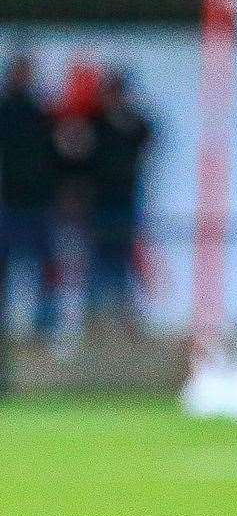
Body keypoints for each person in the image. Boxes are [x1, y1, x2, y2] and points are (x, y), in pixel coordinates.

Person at [0, 54, 60, 351]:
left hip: (36, 203)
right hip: (9, 203)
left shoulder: (40, 112)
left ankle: (44, 329)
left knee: (47, 266)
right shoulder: (9, 110)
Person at [87, 70, 151, 330]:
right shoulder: (96, 124)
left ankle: (126, 319)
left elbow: (146, 136)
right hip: (98, 202)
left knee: (124, 261)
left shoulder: (133, 123)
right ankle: (96, 320)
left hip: (125, 200)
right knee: (97, 263)